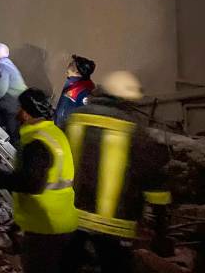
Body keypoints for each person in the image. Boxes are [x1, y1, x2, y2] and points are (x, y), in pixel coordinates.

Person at [65, 71, 172, 273]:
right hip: (114, 225)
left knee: (68, 265)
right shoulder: (134, 131)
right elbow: (155, 184)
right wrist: (160, 229)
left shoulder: (74, 119)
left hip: (72, 216)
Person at [0, 88, 78, 273]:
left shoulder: (37, 143)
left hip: (45, 228)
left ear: (26, 112)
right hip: (64, 223)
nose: (17, 113)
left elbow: (31, 183)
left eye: (20, 108)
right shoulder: (55, 134)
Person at [53, 55, 96, 129]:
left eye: (71, 65)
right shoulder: (84, 85)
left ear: (77, 71)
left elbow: (63, 114)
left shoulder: (77, 89)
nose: (68, 66)